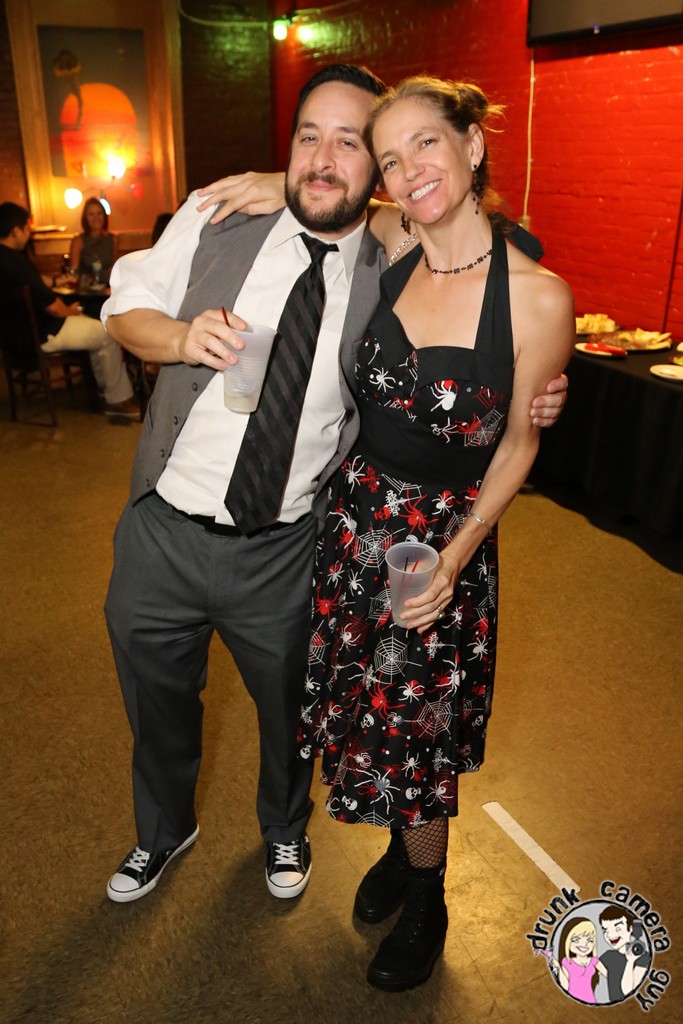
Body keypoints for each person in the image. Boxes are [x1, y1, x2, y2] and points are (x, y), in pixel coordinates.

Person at [100, 65, 567, 909]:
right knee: (212, 703)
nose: (328, 159)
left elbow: (499, 257)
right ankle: (167, 832)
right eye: (309, 138)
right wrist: (183, 329)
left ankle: (336, 851)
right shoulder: (277, 228)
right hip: (247, 530)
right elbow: (125, 303)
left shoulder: (406, 263)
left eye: (355, 144)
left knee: (342, 716)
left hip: (348, 544)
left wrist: (526, 394)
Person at [292, 75, 575, 992]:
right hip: (353, 529)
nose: (409, 169)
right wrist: (267, 180)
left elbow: (519, 445)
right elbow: (331, 196)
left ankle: (428, 897)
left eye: (425, 142)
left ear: (472, 144)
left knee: (413, 734)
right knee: (366, 715)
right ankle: (397, 850)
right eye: (389, 157)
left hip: (438, 547)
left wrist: (455, 558)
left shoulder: (536, 298)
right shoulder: (397, 247)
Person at [0, 202, 137, 417]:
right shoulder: (17, 261)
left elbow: (36, 282)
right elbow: (55, 309)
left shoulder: (5, 260)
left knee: (93, 328)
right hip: (46, 333)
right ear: (16, 231)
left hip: (15, 339)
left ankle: (105, 389)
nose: (29, 233)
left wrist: (57, 284)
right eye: (27, 228)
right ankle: (118, 402)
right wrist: (72, 310)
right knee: (107, 332)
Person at [599, 906, 650, 1001]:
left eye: (617, 929)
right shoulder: (608, 956)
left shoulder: (643, 957)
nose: (610, 935)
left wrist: (630, 961)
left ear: (630, 929)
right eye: (605, 930)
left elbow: (627, 992)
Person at [552, 918, 607, 1003]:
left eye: (590, 940)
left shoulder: (594, 961)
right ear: (567, 941)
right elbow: (565, 986)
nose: (584, 944)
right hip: (571, 1001)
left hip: (590, 1001)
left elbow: (610, 976)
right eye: (576, 940)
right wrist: (558, 967)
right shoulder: (567, 962)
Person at [69, 197, 118, 285]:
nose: (96, 218)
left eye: (99, 213)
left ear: (104, 215)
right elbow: (73, 274)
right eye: (91, 214)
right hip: (86, 289)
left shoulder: (112, 239)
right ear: (85, 218)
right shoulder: (78, 241)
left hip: (108, 287)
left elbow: (115, 269)